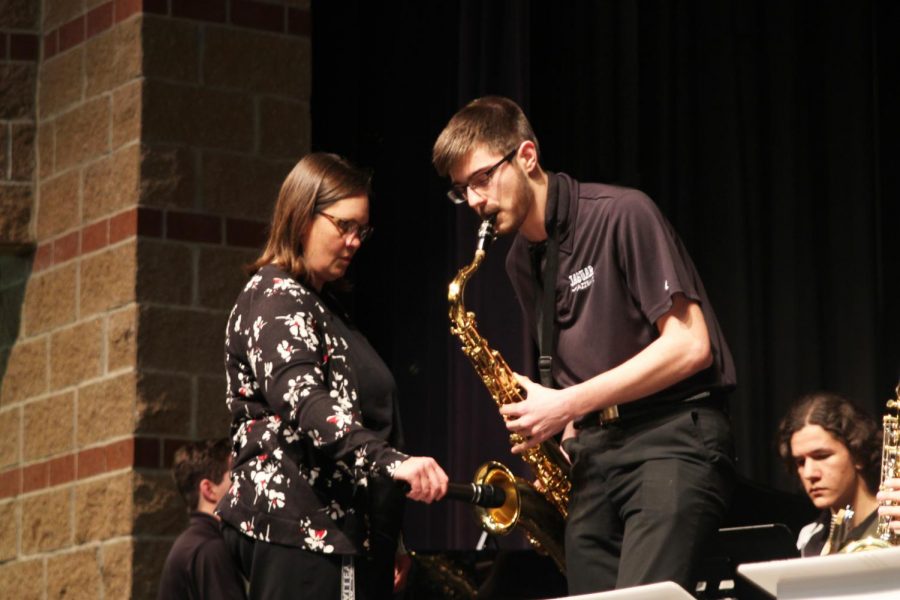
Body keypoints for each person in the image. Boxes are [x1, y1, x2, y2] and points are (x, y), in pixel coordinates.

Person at [432, 96, 736, 593]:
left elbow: (690, 344)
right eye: (461, 190)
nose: (474, 202)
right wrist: (562, 429)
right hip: (598, 458)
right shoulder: (518, 262)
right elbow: (570, 369)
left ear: (527, 156)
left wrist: (567, 402)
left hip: (671, 441)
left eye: (482, 179)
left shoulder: (622, 213)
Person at [218, 152, 449, 600]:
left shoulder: (324, 307)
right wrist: (394, 463)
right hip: (301, 534)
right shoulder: (275, 296)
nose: (355, 241)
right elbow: (307, 404)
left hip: (344, 536)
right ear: (301, 217)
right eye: (343, 225)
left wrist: (388, 536)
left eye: (361, 229)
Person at [777, 391, 882, 555]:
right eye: (800, 462)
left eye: (822, 456)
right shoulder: (809, 537)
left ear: (858, 454)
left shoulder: (894, 522)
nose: (809, 473)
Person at [158, 438, 247, 600]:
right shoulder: (209, 549)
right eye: (236, 477)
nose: (246, 485)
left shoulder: (195, 543)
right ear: (208, 489)